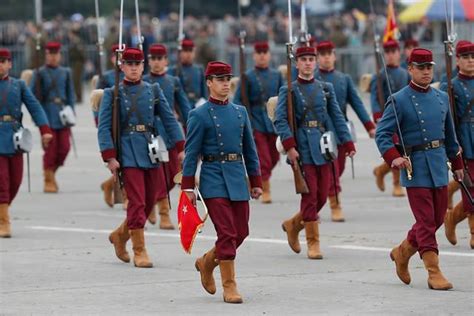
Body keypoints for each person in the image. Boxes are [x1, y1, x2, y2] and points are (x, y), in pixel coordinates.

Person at [376, 48, 464, 290]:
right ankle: (433, 272)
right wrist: (393, 157)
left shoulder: (440, 98)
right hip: (415, 167)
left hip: (438, 164)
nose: (426, 72)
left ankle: (402, 252)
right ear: (410, 69)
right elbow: (383, 134)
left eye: (429, 67)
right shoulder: (399, 99)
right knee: (425, 221)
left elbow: (450, 135)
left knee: (435, 219)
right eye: (420, 67)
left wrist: (456, 165)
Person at [181, 61, 262, 303]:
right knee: (227, 232)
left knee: (241, 231)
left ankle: (207, 262)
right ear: (209, 83)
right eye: (219, 79)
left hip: (237, 175)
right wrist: (187, 187)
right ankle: (230, 285)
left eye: (227, 78)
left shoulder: (240, 112)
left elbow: (250, 149)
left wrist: (256, 180)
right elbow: (191, 152)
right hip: (213, 177)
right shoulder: (199, 115)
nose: (225, 83)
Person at [98, 48, 185, 268]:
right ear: (122, 67)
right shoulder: (112, 93)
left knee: (149, 201)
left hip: (151, 148)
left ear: (143, 66)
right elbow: (104, 127)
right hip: (127, 150)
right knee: (136, 201)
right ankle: (140, 250)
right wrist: (109, 156)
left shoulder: (153, 90)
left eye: (137, 64)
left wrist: (181, 147)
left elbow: (168, 120)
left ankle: (120, 234)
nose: (134, 68)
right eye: (129, 64)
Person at [274, 46, 356, 260]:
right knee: (310, 196)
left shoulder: (325, 88)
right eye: (304, 60)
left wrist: (347, 142)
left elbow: (337, 116)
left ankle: (293, 224)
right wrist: (290, 146)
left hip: (324, 145)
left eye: (311, 59)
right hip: (302, 147)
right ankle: (313, 243)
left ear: (316, 61)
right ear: (297, 63)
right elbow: (280, 119)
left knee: (322, 194)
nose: (308, 63)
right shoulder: (289, 90)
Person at [315, 40, 376, 221]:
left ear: (334, 56)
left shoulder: (344, 79)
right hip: (319, 131)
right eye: (322, 55)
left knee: (338, 168)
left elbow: (356, 103)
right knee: (329, 170)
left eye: (329, 54)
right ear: (318, 58)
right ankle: (335, 204)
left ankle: (318, 201)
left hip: (340, 129)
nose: (326, 58)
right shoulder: (312, 79)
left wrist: (369, 126)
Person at [0, 48, 53, 238]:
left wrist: (45, 129)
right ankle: (4, 222)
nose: (0, 65)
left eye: (3, 61)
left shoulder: (18, 85)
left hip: (15, 138)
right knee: (2, 182)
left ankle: (2, 210)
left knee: (15, 180)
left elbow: (35, 107)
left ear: (9, 64)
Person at [143, 44, 191, 228]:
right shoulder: (143, 80)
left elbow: (184, 105)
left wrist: (191, 124)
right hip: (152, 134)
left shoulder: (173, 81)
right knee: (158, 175)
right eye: (153, 59)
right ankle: (164, 213)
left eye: (159, 58)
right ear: (149, 61)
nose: (156, 62)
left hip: (170, 132)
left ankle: (154, 200)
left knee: (173, 173)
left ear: (165, 61)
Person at [233, 41, 284, 203]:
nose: (262, 56)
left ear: (269, 55)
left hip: (273, 120)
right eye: (259, 53)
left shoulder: (277, 75)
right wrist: (243, 120)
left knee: (275, 156)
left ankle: (255, 179)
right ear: (254, 56)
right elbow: (238, 101)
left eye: (265, 52)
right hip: (255, 121)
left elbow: (283, 97)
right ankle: (265, 187)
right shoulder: (247, 76)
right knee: (264, 158)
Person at [30, 41, 76, 193]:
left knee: (64, 148)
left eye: (55, 54)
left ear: (60, 55)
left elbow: (70, 95)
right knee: (50, 150)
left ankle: (51, 173)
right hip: (46, 113)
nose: (53, 57)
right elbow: (32, 97)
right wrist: (38, 117)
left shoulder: (66, 72)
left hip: (63, 114)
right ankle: (48, 180)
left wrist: (72, 113)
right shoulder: (39, 72)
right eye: (50, 54)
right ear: (46, 55)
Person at [442, 41, 474, 249]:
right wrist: (453, 145)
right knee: (470, 191)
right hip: (464, 140)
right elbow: (448, 119)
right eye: (466, 57)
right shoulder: (450, 85)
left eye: (473, 57)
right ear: (458, 61)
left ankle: (452, 218)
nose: (470, 60)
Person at [371, 40, 410, 197]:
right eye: (387, 52)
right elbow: (374, 97)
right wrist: (377, 115)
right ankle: (396, 184)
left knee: (404, 149)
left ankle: (381, 170)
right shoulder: (379, 75)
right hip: (388, 118)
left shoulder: (405, 74)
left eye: (394, 51)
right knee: (394, 149)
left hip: (404, 117)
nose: (391, 55)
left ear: (398, 53)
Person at [95, 44, 125, 207]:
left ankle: (110, 185)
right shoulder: (107, 77)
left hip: (128, 123)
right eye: (117, 56)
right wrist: (99, 122)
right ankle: (124, 194)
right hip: (111, 123)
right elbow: (97, 102)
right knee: (120, 160)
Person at [168, 39, 208, 108]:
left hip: (197, 106)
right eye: (185, 51)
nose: (188, 54)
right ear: (180, 53)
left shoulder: (199, 69)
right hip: (180, 108)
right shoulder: (173, 70)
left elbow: (204, 93)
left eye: (191, 51)